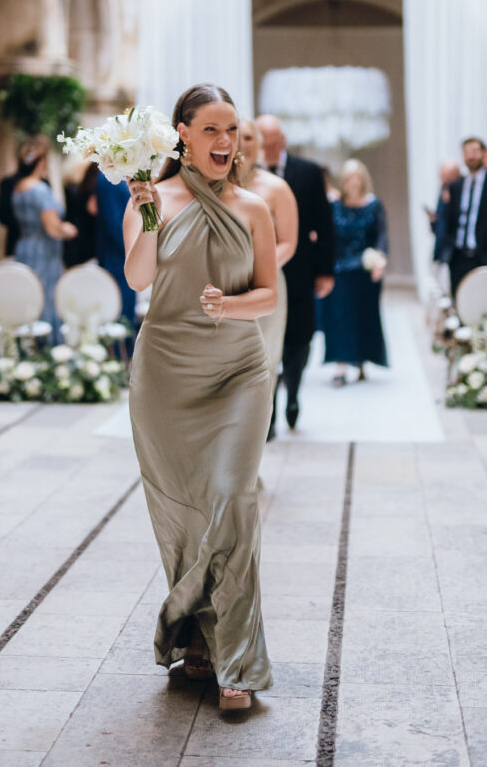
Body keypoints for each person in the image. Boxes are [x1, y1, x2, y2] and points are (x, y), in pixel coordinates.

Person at [125, 84, 277, 713]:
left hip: (239, 368)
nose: (225, 142)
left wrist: (229, 306)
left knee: (233, 498)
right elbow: (138, 277)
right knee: (187, 513)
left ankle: (236, 660)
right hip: (165, 372)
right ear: (181, 134)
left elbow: (268, 292)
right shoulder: (152, 198)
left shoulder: (253, 208)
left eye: (232, 131)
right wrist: (149, 216)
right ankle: (196, 640)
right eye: (211, 130)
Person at [255, 113, 334, 430]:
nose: (270, 149)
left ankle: (294, 393)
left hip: (300, 269)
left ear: (283, 141)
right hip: (258, 272)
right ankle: (269, 409)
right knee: (266, 339)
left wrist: (325, 271)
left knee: (299, 337)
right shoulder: (247, 174)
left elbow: (324, 225)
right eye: (265, 143)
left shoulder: (309, 173)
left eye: (274, 143)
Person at [238, 118, 298, 438]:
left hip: (265, 285)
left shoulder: (275, 188)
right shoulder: (214, 187)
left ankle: (258, 431)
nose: (240, 142)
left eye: (248, 136)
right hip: (223, 287)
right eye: (234, 134)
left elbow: (288, 241)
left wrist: (259, 267)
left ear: (260, 144)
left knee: (261, 361)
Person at [318, 159, 389, 384]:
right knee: (339, 317)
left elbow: (381, 236)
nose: (353, 182)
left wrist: (380, 261)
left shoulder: (374, 205)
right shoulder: (335, 206)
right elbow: (326, 237)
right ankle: (340, 366)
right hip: (339, 269)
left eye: (357, 177)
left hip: (365, 270)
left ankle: (360, 360)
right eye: (349, 178)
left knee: (363, 316)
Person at [11, 142, 78, 343]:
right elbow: (52, 228)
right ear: (40, 164)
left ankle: (25, 345)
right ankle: (47, 348)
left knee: (26, 296)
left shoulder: (18, 188)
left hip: (24, 247)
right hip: (44, 251)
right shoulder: (40, 190)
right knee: (45, 298)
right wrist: (67, 230)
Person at [444, 137, 487, 296]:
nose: (471, 156)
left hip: (486, 256)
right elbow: (451, 221)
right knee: (460, 301)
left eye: (474, 151)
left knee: (485, 301)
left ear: (483, 153)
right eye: (466, 152)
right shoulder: (456, 186)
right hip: (459, 256)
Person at [95, 169, 137, 328]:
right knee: (119, 314)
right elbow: (112, 222)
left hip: (123, 254)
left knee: (127, 311)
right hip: (116, 256)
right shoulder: (107, 177)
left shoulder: (121, 174)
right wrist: (132, 247)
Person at [0, 137, 44, 257]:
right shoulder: (9, 183)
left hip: (42, 242)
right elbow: (2, 214)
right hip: (17, 239)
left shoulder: (44, 183)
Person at [64, 161, 98, 267]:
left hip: (76, 235)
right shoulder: (88, 189)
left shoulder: (72, 188)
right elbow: (92, 209)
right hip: (87, 236)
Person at [427, 160, 461, 265]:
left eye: (446, 176)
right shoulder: (443, 190)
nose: (443, 179)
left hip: (453, 248)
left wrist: (451, 203)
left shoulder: (460, 190)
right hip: (442, 244)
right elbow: (441, 220)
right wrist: (433, 221)